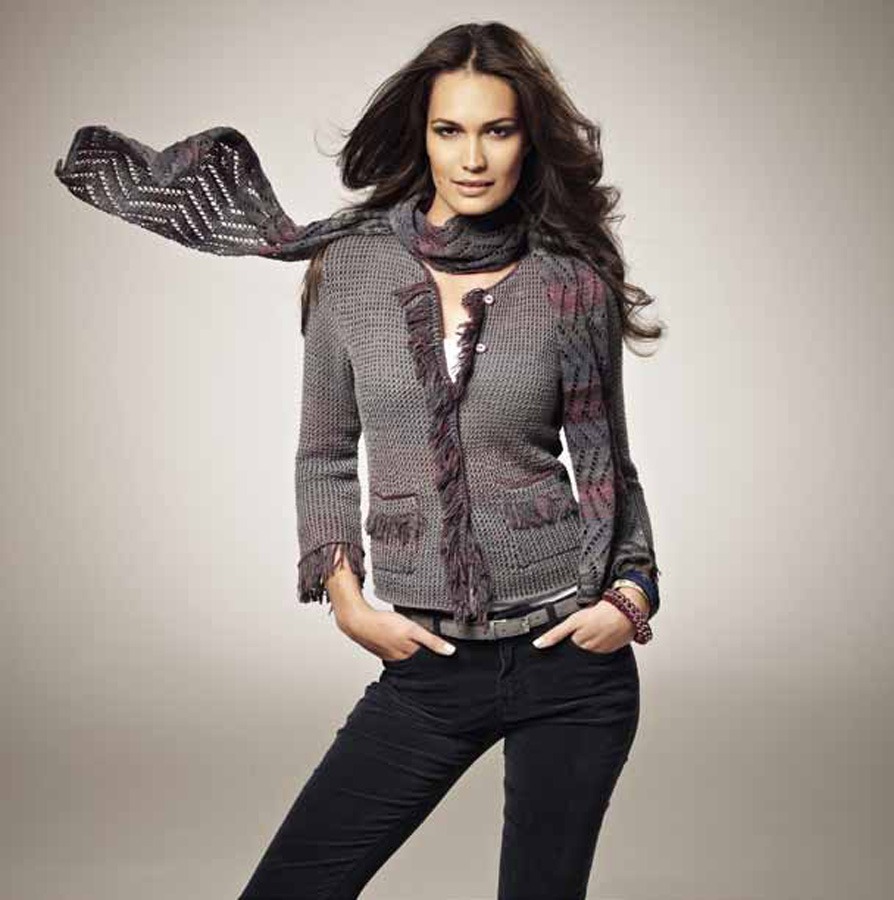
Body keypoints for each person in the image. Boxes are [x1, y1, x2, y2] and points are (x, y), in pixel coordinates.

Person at [54, 20, 665, 900]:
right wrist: (346, 599)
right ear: (422, 135)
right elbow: (324, 452)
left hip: (572, 662)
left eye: (498, 130)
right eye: (450, 130)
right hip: (431, 666)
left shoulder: (569, 282)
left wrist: (631, 596)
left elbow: (610, 468)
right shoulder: (351, 268)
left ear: (528, 140)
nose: (473, 157)